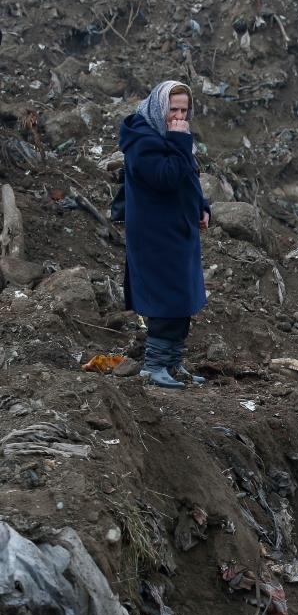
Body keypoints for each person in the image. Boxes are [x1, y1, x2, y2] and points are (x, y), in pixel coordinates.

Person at [119, 81, 210, 388]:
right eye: (173, 110)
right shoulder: (142, 140)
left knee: (183, 298)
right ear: (159, 108)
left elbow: (187, 175)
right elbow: (166, 178)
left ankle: (173, 362)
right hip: (155, 234)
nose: (179, 117)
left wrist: (201, 206)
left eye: (184, 110)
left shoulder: (171, 135)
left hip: (179, 230)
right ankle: (154, 365)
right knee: (166, 298)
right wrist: (178, 139)